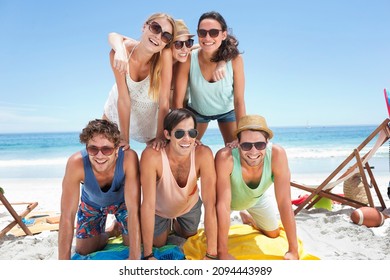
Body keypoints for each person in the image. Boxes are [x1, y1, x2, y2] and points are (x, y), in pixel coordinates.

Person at [215, 115, 299, 260]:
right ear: (238, 143)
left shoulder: (277, 155)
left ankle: (249, 219)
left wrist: (293, 250)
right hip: (226, 202)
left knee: (274, 234)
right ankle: (242, 214)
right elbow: (222, 205)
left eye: (259, 145)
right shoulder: (225, 157)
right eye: (247, 145)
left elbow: (284, 202)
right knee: (215, 241)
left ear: (267, 142)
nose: (253, 151)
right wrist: (223, 252)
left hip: (256, 199)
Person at [140, 108, 218, 260]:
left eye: (192, 133)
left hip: (189, 206)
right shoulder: (152, 156)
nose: (187, 139)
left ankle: (176, 225)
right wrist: (148, 254)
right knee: (159, 244)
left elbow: (210, 204)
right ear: (167, 134)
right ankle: (165, 225)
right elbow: (148, 204)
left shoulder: (204, 154)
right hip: (159, 210)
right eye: (180, 133)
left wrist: (211, 254)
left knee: (189, 235)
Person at [58, 119, 141, 260]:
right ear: (86, 148)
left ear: (116, 150)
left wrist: (134, 257)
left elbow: (133, 210)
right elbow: (67, 215)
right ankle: (111, 231)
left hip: (123, 205)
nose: (99, 155)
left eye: (106, 149)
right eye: (93, 149)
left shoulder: (128, 158)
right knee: (83, 250)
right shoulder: (76, 164)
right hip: (92, 205)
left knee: (132, 245)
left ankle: (119, 225)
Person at [108, 19, 226, 109]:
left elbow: (225, 43)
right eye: (178, 44)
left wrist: (222, 62)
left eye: (189, 43)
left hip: (175, 114)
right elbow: (115, 36)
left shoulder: (188, 56)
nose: (185, 49)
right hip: (135, 108)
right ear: (167, 44)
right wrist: (119, 50)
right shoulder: (154, 57)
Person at [103, 13, 176, 150]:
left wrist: (160, 136)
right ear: (144, 26)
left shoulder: (164, 57)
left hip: (148, 123)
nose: (158, 36)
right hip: (118, 116)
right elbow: (123, 99)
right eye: (155, 28)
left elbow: (164, 101)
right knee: (101, 155)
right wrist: (124, 139)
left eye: (166, 36)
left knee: (156, 157)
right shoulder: (119, 54)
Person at [173, 11, 246, 146]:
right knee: (187, 148)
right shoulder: (189, 58)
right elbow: (178, 101)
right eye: (202, 32)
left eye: (213, 32)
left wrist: (242, 134)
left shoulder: (235, 60)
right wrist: (184, 132)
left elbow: (239, 101)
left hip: (227, 112)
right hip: (197, 112)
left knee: (236, 150)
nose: (207, 38)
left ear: (223, 35)